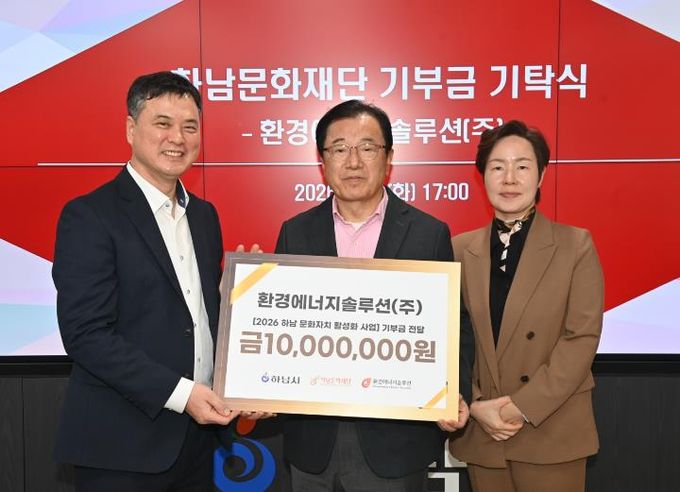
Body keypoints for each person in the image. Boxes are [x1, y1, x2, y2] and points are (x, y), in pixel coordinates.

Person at [52, 71, 250, 491]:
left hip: (198, 443)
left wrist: (239, 305)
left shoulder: (204, 216)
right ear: (131, 128)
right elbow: (86, 334)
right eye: (163, 123)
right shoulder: (90, 215)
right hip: (121, 446)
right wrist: (182, 395)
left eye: (190, 126)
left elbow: (196, 317)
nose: (177, 137)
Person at [275, 99, 475, 491]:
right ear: (322, 161)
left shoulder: (428, 234)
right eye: (339, 149)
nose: (353, 162)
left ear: (389, 158)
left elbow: (455, 328)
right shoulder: (295, 232)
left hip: (395, 444)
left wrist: (455, 393)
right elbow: (283, 327)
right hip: (313, 443)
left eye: (367, 148)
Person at [449, 120, 604, 492]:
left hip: (550, 427)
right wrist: (475, 404)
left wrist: (520, 406)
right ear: (482, 176)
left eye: (522, 166)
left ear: (541, 175)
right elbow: (450, 338)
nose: (509, 178)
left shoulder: (575, 245)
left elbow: (581, 338)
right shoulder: (458, 249)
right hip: (484, 431)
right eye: (497, 167)